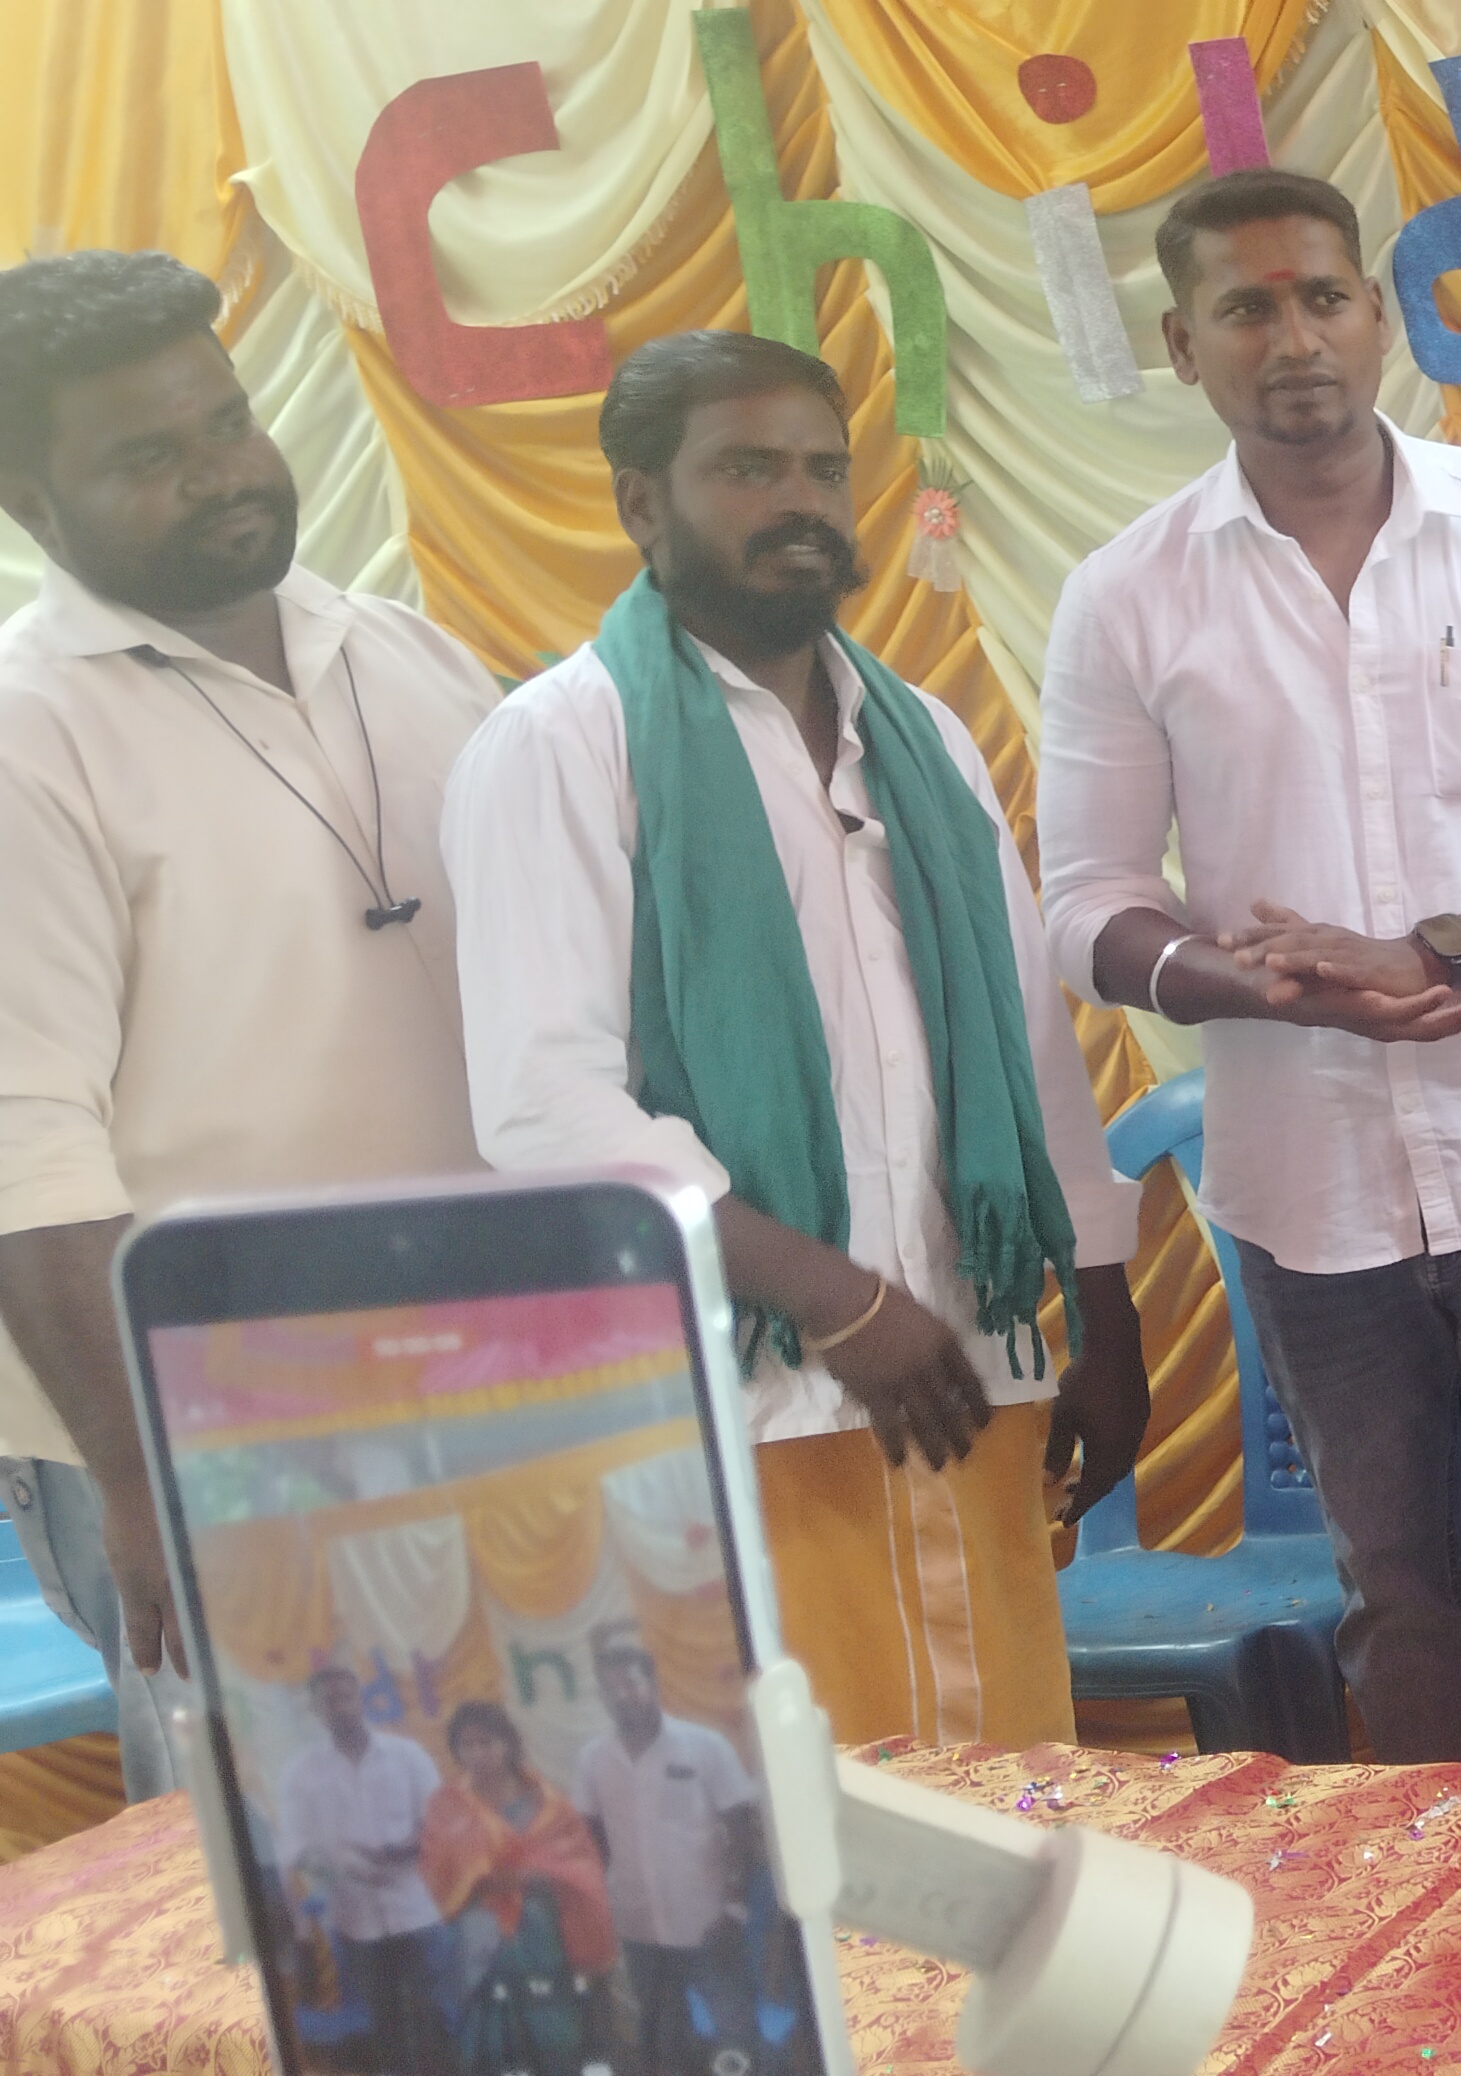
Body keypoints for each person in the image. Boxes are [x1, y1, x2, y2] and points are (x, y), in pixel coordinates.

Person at [444, 332, 1146, 1750]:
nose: (802, 503)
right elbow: (543, 1104)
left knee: (1015, 1793)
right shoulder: (565, 745)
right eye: (748, 469)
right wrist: (833, 1298)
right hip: (735, 1400)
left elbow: (1027, 1040)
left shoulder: (923, 737)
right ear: (642, 502)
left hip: (965, 1361)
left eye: (824, 469)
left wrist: (1104, 1312)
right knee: (816, 1810)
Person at [1041, 168, 1461, 1770]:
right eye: (1246, 308)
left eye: (1323, 297)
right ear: (1183, 345)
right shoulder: (1126, 595)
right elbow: (1088, 903)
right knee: (1392, 1597)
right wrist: (1243, 983)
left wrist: (1432, 950)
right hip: (1305, 1183)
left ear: (1380, 317)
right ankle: (1446, 1902)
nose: (1294, 336)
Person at [0, 249, 491, 1810]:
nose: (220, 473)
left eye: (226, 421)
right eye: (149, 455)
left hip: (493, 1375)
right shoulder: (28, 736)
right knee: (299, 1878)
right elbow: (23, 1142)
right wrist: (142, 1471)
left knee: (518, 1849)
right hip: (203, 1431)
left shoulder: (404, 652)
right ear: (26, 497)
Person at [570, 1639, 793, 2076]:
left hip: (709, 1923)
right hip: (637, 1926)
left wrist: (734, 1907)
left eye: (630, 1683)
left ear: (652, 1684)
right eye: (611, 1688)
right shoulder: (593, 1760)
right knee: (661, 2037)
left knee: (732, 2035)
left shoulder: (704, 1746)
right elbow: (591, 1839)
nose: (622, 1695)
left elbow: (742, 1829)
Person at [421, 1700, 617, 2076]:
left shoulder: (548, 1805)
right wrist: (477, 1877)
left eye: (486, 1742)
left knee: (553, 2029)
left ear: (508, 1744)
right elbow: (436, 1868)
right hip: (480, 1937)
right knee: (489, 2034)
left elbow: (581, 1865)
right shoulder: (448, 1805)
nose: (477, 1753)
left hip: (543, 1934)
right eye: (467, 1745)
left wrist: (532, 1877)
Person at [278, 1662, 453, 2073]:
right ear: (316, 1710)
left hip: (416, 1913)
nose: (339, 1707)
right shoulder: (301, 1773)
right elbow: (295, 1847)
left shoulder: (407, 1756)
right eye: (328, 1701)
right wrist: (340, 1865)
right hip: (354, 1921)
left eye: (346, 1696)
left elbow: (441, 1823)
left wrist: (399, 1850)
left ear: (362, 1698)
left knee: (435, 2021)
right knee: (384, 2027)